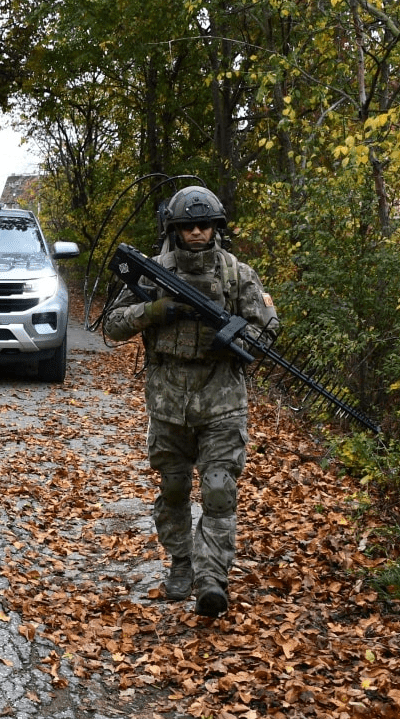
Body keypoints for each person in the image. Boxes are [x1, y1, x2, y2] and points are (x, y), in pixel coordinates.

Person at [103, 185, 277, 617]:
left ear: (215, 228)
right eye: (187, 226)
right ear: (175, 230)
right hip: (167, 404)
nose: (197, 233)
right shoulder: (152, 272)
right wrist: (154, 311)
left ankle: (212, 579)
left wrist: (239, 340)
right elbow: (113, 324)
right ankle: (182, 563)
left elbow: (266, 329)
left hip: (222, 402)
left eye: (204, 225)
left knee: (219, 490)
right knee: (175, 487)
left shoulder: (237, 274)